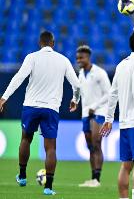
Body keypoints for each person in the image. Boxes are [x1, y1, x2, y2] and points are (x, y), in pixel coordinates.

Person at [0, 31, 80, 195]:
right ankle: (48, 187)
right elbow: (77, 85)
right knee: (50, 148)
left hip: (31, 106)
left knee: (26, 139)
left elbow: (18, 78)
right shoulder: (63, 60)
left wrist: (4, 98)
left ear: (39, 43)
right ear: (53, 43)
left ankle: (22, 176)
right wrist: (75, 100)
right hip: (51, 108)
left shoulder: (32, 57)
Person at [100, 30, 134, 199]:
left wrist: (109, 119)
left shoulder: (122, 64)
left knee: (126, 165)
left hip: (124, 123)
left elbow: (113, 94)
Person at [76, 45, 111, 187]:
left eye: (81, 57)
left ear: (88, 58)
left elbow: (109, 93)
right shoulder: (80, 74)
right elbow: (80, 93)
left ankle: (97, 178)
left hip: (99, 112)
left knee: (97, 143)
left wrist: (94, 107)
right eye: (77, 58)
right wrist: (75, 100)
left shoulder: (99, 72)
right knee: (90, 145)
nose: (79, 60)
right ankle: (92, 178)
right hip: (85, 113)